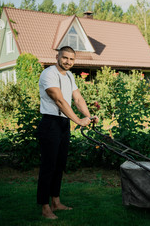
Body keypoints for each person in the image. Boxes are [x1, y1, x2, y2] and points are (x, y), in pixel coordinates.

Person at [37, 46, 99, 219]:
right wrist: (78, 120)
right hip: (50, 123)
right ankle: (45, 207)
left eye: (71, 59)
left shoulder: (70, 76)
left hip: (63, 124)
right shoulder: (49, 74)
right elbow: (59, 100)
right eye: (65, 58)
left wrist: (89, 116)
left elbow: (77, 98)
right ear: (57, 56)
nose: (68, 62)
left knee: (59, 165)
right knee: (48, 167)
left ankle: (56, 202)